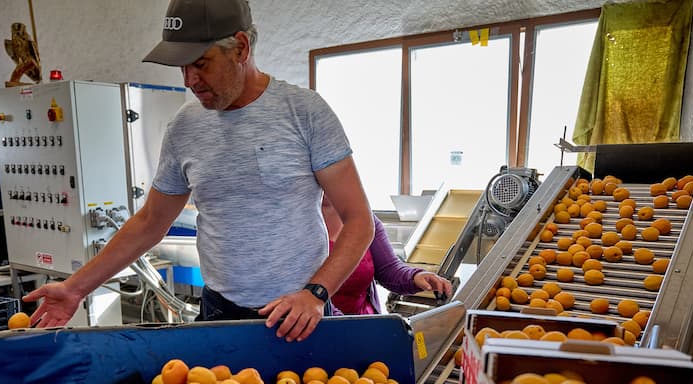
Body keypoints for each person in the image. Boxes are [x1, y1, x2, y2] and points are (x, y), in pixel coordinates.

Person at [23, 0, 373, 342]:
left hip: (299, 316)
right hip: (220, 315)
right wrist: (74, 288)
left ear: (241, 47)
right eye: (182, 68)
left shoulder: (305, 112)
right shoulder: (184, 127)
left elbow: (359, 220)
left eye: (201, 64)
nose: (190, 80)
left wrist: (315, 294)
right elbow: (149, 223)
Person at [321, 195, 452, 315]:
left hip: (365, 326)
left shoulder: (364, 218)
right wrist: (342, 326)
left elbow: (388, 269)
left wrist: (415, 276)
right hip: (318, 329)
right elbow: (309, 293)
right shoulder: (302, 225)